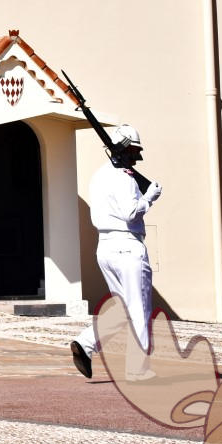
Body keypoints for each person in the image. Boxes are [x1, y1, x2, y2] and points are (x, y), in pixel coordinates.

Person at [70, 125, 161, 380]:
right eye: (133, 150)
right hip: (128, 246)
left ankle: (85, 343)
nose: (137, 156)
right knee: (139, 308)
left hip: (105, 246)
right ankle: (137, 369)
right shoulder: (125, 178)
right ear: (123, 149)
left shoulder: (99, 175)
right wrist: (149, 197)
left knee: (122, 308)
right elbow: (130, 212)